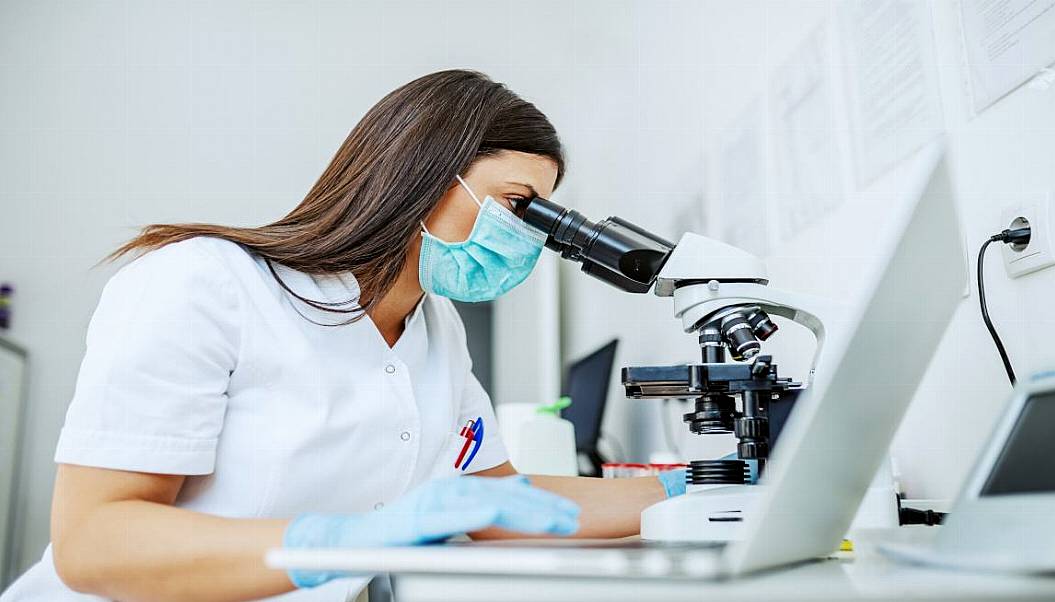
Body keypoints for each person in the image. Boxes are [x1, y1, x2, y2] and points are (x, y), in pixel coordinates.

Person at [1, 70, 688, 602]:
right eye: (516, 205)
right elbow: (94, 542)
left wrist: (699, 489)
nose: (524, 237)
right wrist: (343, 540)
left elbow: (504, 505)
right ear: (417, 170)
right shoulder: (204, 283)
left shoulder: (435, 331)